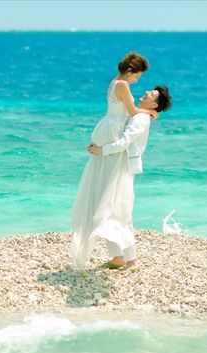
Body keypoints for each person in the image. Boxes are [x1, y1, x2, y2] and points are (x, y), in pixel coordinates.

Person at [69, 85, 172, 270]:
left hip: (122, 168)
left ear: (154, 104)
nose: (147, 92)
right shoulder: (139, 113)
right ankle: (118, 257)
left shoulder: (141, 119)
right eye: (150, 90)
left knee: (121, 211)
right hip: (114, 164)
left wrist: (101, 150)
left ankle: (131, 260)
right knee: (110, 209)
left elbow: (124, 142)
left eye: (152, 95)